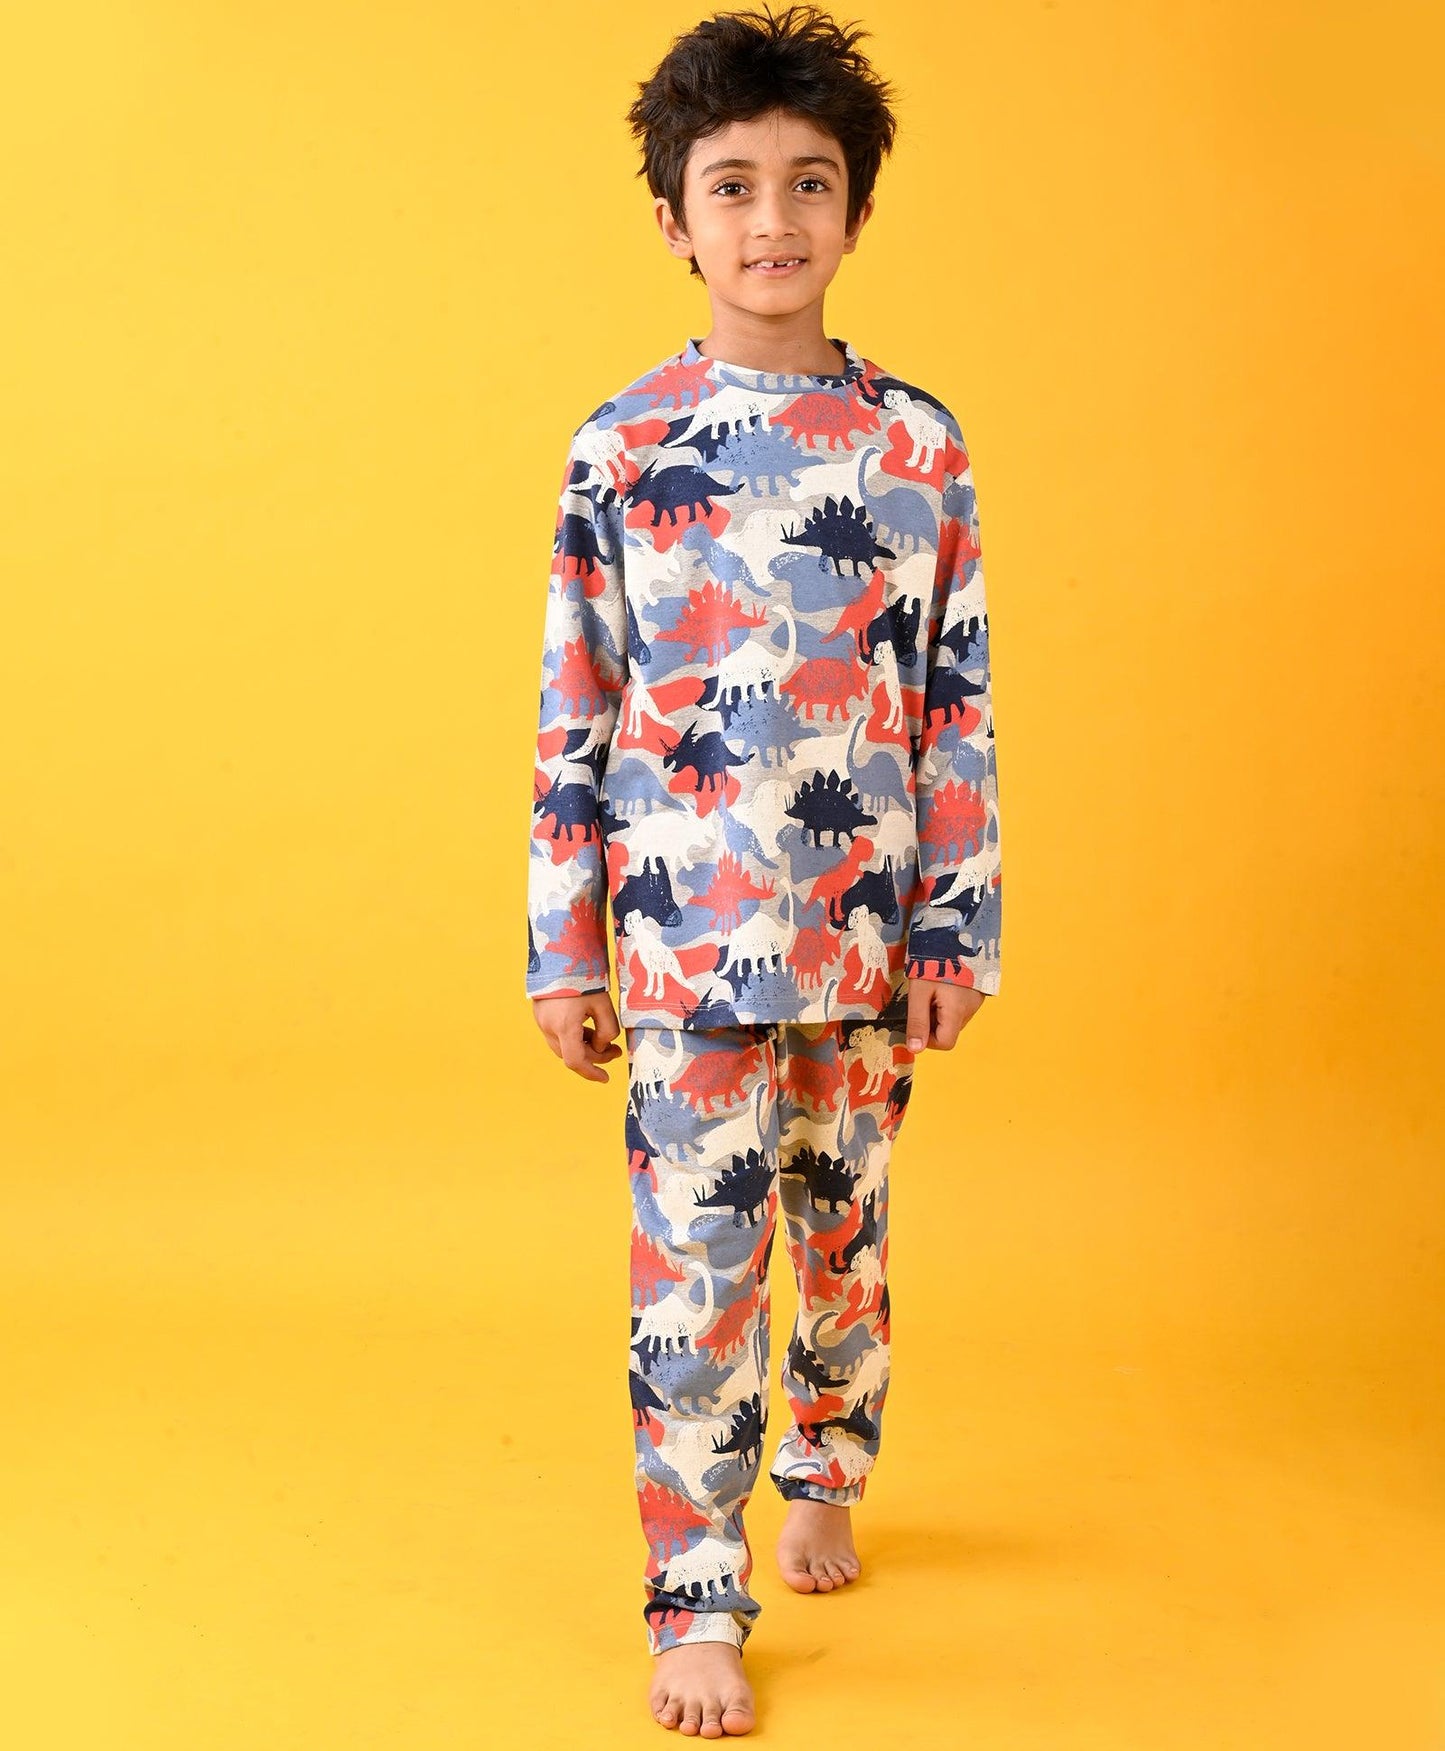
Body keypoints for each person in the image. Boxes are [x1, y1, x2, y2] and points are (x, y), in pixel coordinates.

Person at [525, 4, 1002, 1734]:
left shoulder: (917, 446)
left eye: (808, 182)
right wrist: (563, 948)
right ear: (674, 219)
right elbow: (575, 704)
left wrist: (954, 925)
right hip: (682, 949)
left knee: (842, 1235)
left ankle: (826, 1468)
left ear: (855, 209)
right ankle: (694, 1592)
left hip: (864, 940)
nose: (772, 218)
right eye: (730, 185)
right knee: (695, 1271)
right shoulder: (622, 448)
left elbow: (953, 702)